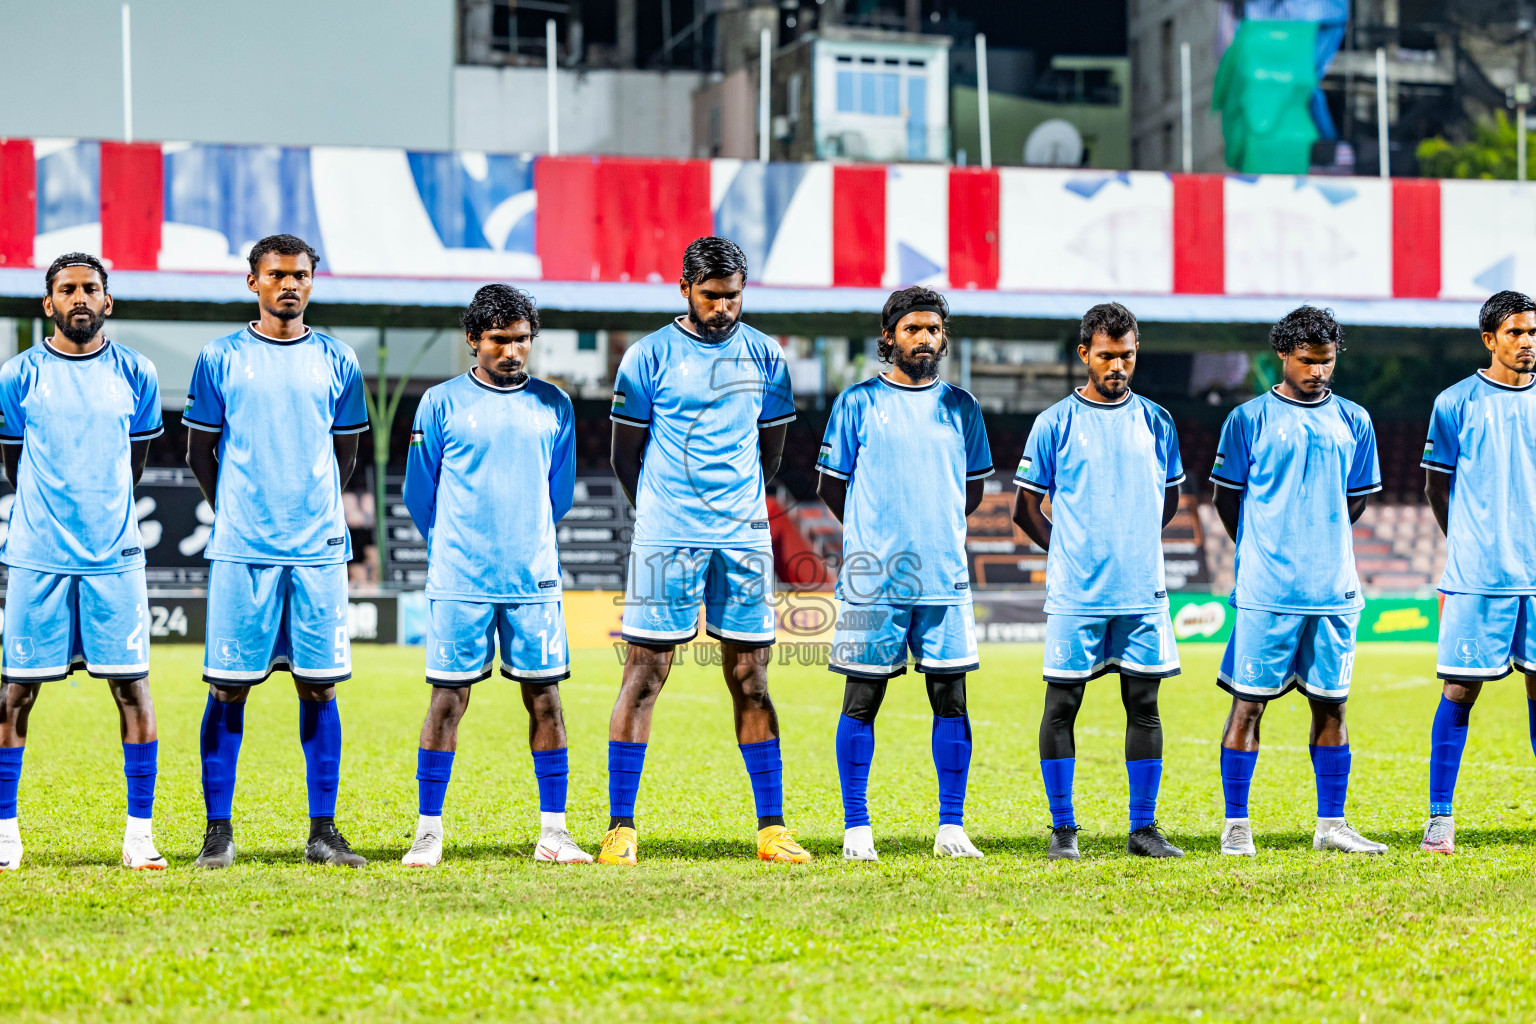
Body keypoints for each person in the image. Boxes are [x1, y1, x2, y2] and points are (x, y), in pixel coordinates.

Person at [600, 236, 808, 866]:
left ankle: (771, 829)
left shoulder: (767, 357)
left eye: (733, 296)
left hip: (740, 537)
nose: (723, 307)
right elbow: (622, 454)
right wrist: (663, 513)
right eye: (712, 295)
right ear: (685, 288)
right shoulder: (647, 357)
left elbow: (772, 451)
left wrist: (739, 506)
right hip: (668, 534)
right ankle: (620, 829)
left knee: (751, 677)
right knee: (646, 673)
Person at [183, 233, 369, 869]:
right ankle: (218, 833)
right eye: (278, 275)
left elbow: (346, 452)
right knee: (228, 690)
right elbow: (197, 451)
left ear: (312, 283)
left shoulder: (339, 360)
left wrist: (309, 508)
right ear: (253, 282)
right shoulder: (220, 357)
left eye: (301, 276)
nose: (290, 285)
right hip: (244, 550)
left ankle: (323, 832)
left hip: (317, 552)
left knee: (320, 691)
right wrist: (239, 509)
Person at [399, 284, 590, 867]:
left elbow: (558, 494)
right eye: (500, 340)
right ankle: (428, 833)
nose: (512, 351)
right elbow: (418, 492)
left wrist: (523, 542)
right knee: (447, 701)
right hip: (460, 579)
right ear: (473, 341)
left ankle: (553, 834)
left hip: (532, 579)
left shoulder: (555, 404)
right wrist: (457, 547)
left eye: (522, 340)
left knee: (546, 700)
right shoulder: (439, 403)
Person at [0, 253, 165, 871]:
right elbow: (14, 462)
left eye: (90, 288)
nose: (79, 298)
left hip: (113, 558)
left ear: (108, 301)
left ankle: (139, 834)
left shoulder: (137, 373)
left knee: (132, 687)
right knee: (15, 692)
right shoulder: (18, 376)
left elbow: (135, 462)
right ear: (48, 304)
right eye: (66, 289)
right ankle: (6, 833)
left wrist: (104, 514)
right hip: (38, 556)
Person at [816, 286, 993, 861]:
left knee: (952, 701)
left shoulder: (963, 407)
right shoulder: (857, 402)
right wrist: (876, 537)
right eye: (913, 329)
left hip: (944, 577)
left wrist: (933, 529)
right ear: (889, 335)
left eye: (934, 329)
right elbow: (830, 485)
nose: (925, 339)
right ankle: (857, 828)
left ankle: (951, 826)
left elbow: (972, 489)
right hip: (876, 582)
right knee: (862, 700)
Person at [1210, 306, 1386, 857]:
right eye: (1308, 362)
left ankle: (1331, 824)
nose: (1318, 372)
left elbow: (1354, 499)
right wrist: (1266, 547)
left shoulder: (1355, 420)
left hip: (1333, 589)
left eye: (1327, 362)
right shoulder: (1247, 420)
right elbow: (1225, 498)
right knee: (1248, 706)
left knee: (1331, 706)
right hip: (1267, 592)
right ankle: (1236, 824)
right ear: (1282, 356)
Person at [1011, 302, 1185, 861]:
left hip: (1141, 592)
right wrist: (1070, 551)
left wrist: (1131, 546)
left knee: (1145, 704)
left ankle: (1143, 828)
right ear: (1085, 354)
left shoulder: (1157, 420)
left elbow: (1171, 498)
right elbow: (1025, 509)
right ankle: (1064, 829)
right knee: (1061, 706)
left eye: (1127, 356)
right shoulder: (1054, 422)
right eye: (1107, 356)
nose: (1117, 366)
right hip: (1077, 595)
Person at [1420, 290, 1536, 855]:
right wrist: (1471, 542)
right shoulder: (1455, 402)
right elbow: (1435, 487)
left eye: (1533, 333)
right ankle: (1440, 817)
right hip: (1478, 575)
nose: (1527, 342)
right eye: (1516, 333)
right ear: (1490, 339)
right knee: (1460, 689)